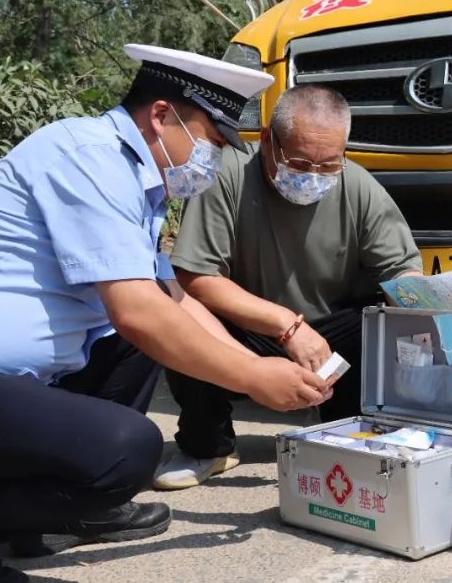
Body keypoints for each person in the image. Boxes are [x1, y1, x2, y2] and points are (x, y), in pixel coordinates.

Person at [0, 44, 334, 583]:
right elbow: (138, 312)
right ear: (162, 115)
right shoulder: (88, 155)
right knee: (126, 450)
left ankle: (32, 517)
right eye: (210, 144)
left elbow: (176, 303)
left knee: (139, 343)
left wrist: (259, 364)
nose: (212, 161)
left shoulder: (137, 183)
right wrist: (254, 376)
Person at [153, 84, 422, 490]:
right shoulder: (226, 174)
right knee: (176, 316)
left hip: (330, 337)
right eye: (299, 161)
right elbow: (196, 276)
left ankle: (347, 434)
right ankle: (207, 446)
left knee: (378, 322)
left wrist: (421, 297)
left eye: (328, 164)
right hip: (247, 330)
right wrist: (287, 326)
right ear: (266, 140)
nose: (313, 175)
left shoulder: (359, 186)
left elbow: (400, 269)